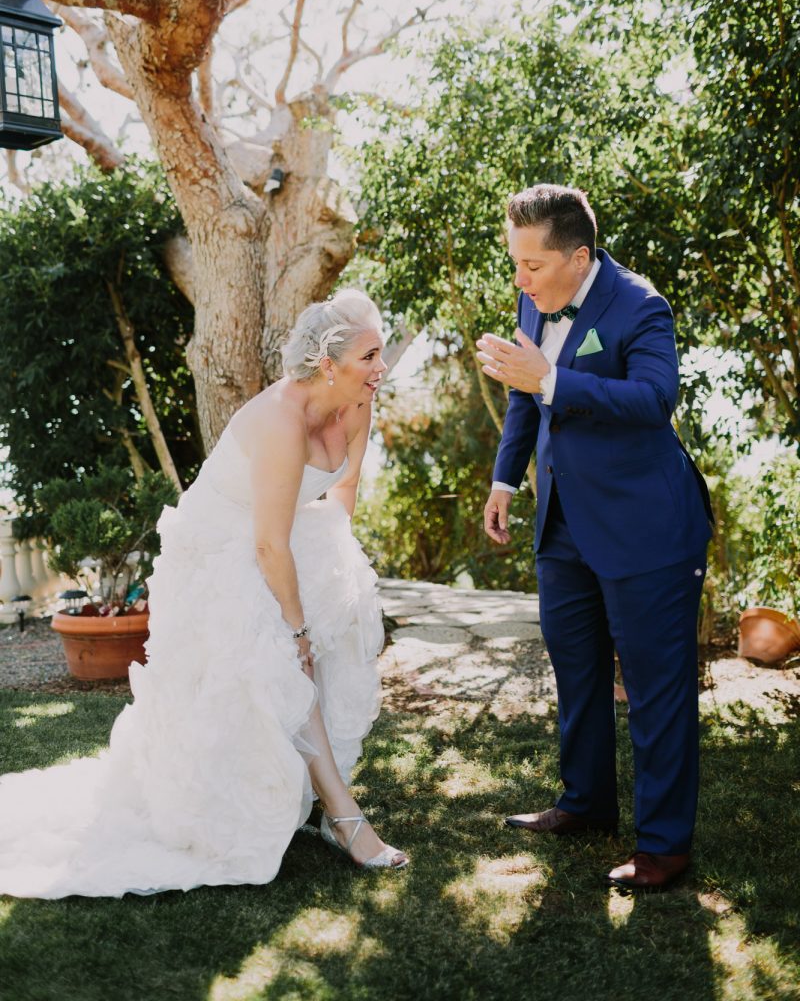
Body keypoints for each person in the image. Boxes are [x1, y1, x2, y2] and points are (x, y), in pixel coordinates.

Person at [0, 288, 407, 899]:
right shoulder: (279, 420)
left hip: (286, 531)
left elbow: (342, 491)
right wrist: (295, 630)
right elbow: (266, 547)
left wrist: (339, 571)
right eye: (371, 355)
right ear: (329, 364)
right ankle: (347, 821)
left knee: (333, 640)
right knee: (282, 660)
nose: (382, 368)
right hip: (219, 548)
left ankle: (320, 795)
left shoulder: (357, 401)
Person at [477, 185, 713, 891]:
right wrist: (506, 480)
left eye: (533, 266)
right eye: (515, 265)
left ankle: (664, 847)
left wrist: (552, 378)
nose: (520, 281)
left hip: (647, 529)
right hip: (563, 526)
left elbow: (653, 399)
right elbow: (525, 393)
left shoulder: (641, 306)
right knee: (577, 674)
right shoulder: (534, 296)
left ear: (579, 258)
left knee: (655, 691)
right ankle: (584, 803)